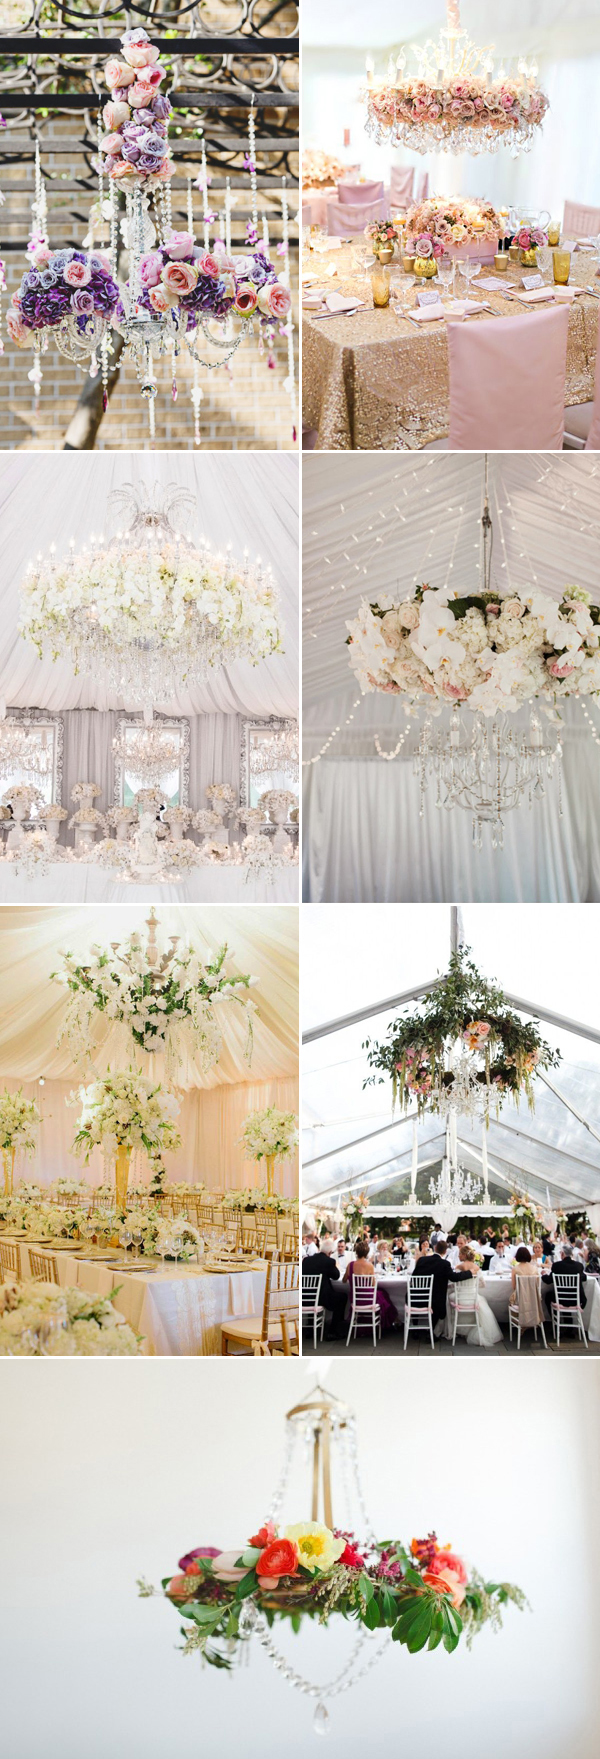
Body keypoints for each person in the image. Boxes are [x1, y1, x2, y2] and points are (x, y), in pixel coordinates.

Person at [412, 1239, 472, 1335]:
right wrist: (469, 1273)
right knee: (438, 1299)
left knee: (434, 1298)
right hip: (433, 1300)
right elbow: (454, 1277)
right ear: (445, 1252)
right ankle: (431, 1331)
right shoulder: (445, 1264)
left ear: (435, 1248)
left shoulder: (422, 1260)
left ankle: (415, 1328)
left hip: (416, 1298)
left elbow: (413, 1278)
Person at [448, 1246, 503, 1347]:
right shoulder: (476, 1268)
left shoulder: (458, 1267)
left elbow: (451, 1283)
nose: (459, 1255)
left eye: (460, 1253)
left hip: (460, 1299)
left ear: (464, 1255)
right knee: (481, 1300)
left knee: (449, 1297)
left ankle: (453, 1329)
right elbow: (483, 1284)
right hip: (473, 1299)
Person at [343, 1237, 397, 1332]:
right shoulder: (369, 1266)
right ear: (367, 1253)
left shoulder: (350, 1265)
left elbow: (344, 1281)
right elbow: (373, 1284)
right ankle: (388, 1324)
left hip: (355, 1299)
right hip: (369, 1299)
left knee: (383, 1294)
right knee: (384, 1294)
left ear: (356, 1252)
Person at [302, 1238, 347, 1339]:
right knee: (342, 1297)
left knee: (314, 1294)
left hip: (304, 1298)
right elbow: (336, 1276)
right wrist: (334, 1265)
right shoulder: (329, 1261)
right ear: (330, 1252)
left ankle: (310, 1330)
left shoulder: (306, 1260)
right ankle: (333, 1331)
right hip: (321, 1298)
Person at [542, 1245, 587, 1321]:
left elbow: (548, 1280)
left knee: (547, 1296)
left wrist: (543, 1275)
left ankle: (555, 1321)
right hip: (577, 1299)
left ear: (562, 1254)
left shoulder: (557, 1265)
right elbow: (584, 1278)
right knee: (564, 1294)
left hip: (559, 1300)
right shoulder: (579, 1265)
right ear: (571, 1254)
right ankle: (568, 1324)